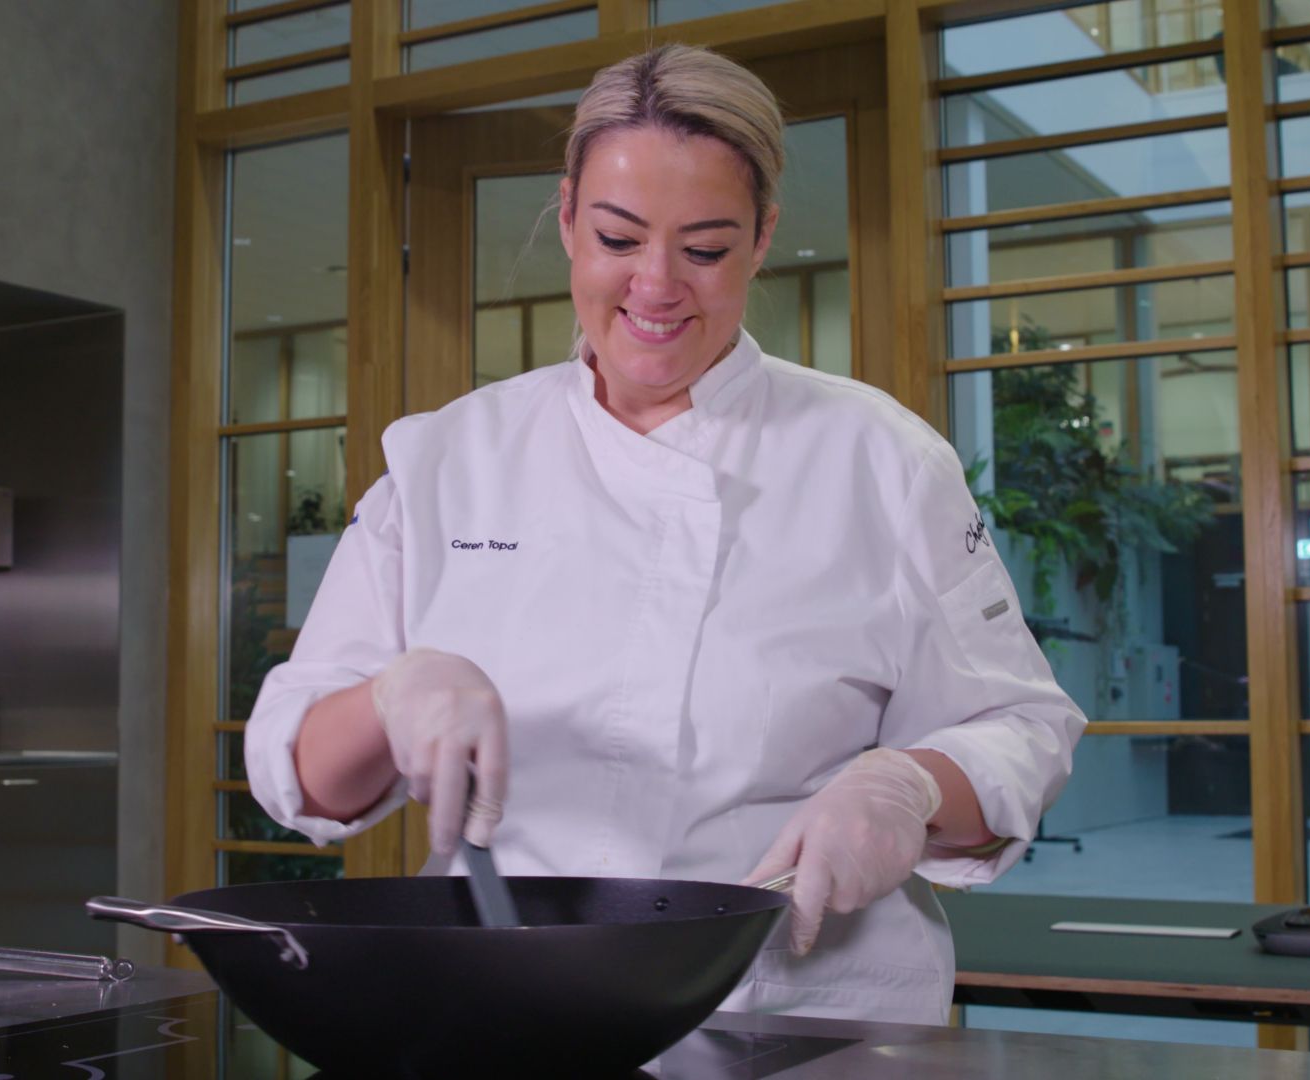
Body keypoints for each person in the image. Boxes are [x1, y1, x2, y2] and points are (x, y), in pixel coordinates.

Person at [246, 43, 1085, 1023]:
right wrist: (392, 699)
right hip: (506, 1008)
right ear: (566, 218)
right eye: (617, 237)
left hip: (800, 1015)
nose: (655, 286)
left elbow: (1021, 728)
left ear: (764, 237)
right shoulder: (451, 458)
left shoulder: (880, 460)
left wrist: (910, 788)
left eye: (706, 248)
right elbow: (295, 771)